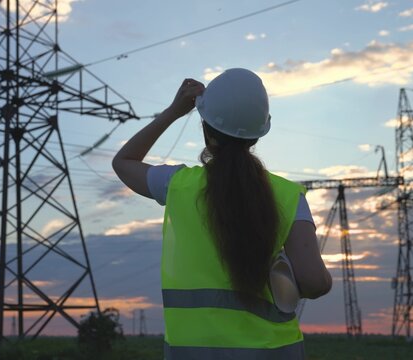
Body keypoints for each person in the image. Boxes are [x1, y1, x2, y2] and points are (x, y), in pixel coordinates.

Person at [112, 68, 332, 359]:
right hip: (274, 351)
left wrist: (173, 112)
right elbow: (314, 282)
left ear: (206, 128)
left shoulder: (177, 185)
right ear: (257, 134)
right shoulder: (288, 195)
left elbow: (124, 161)